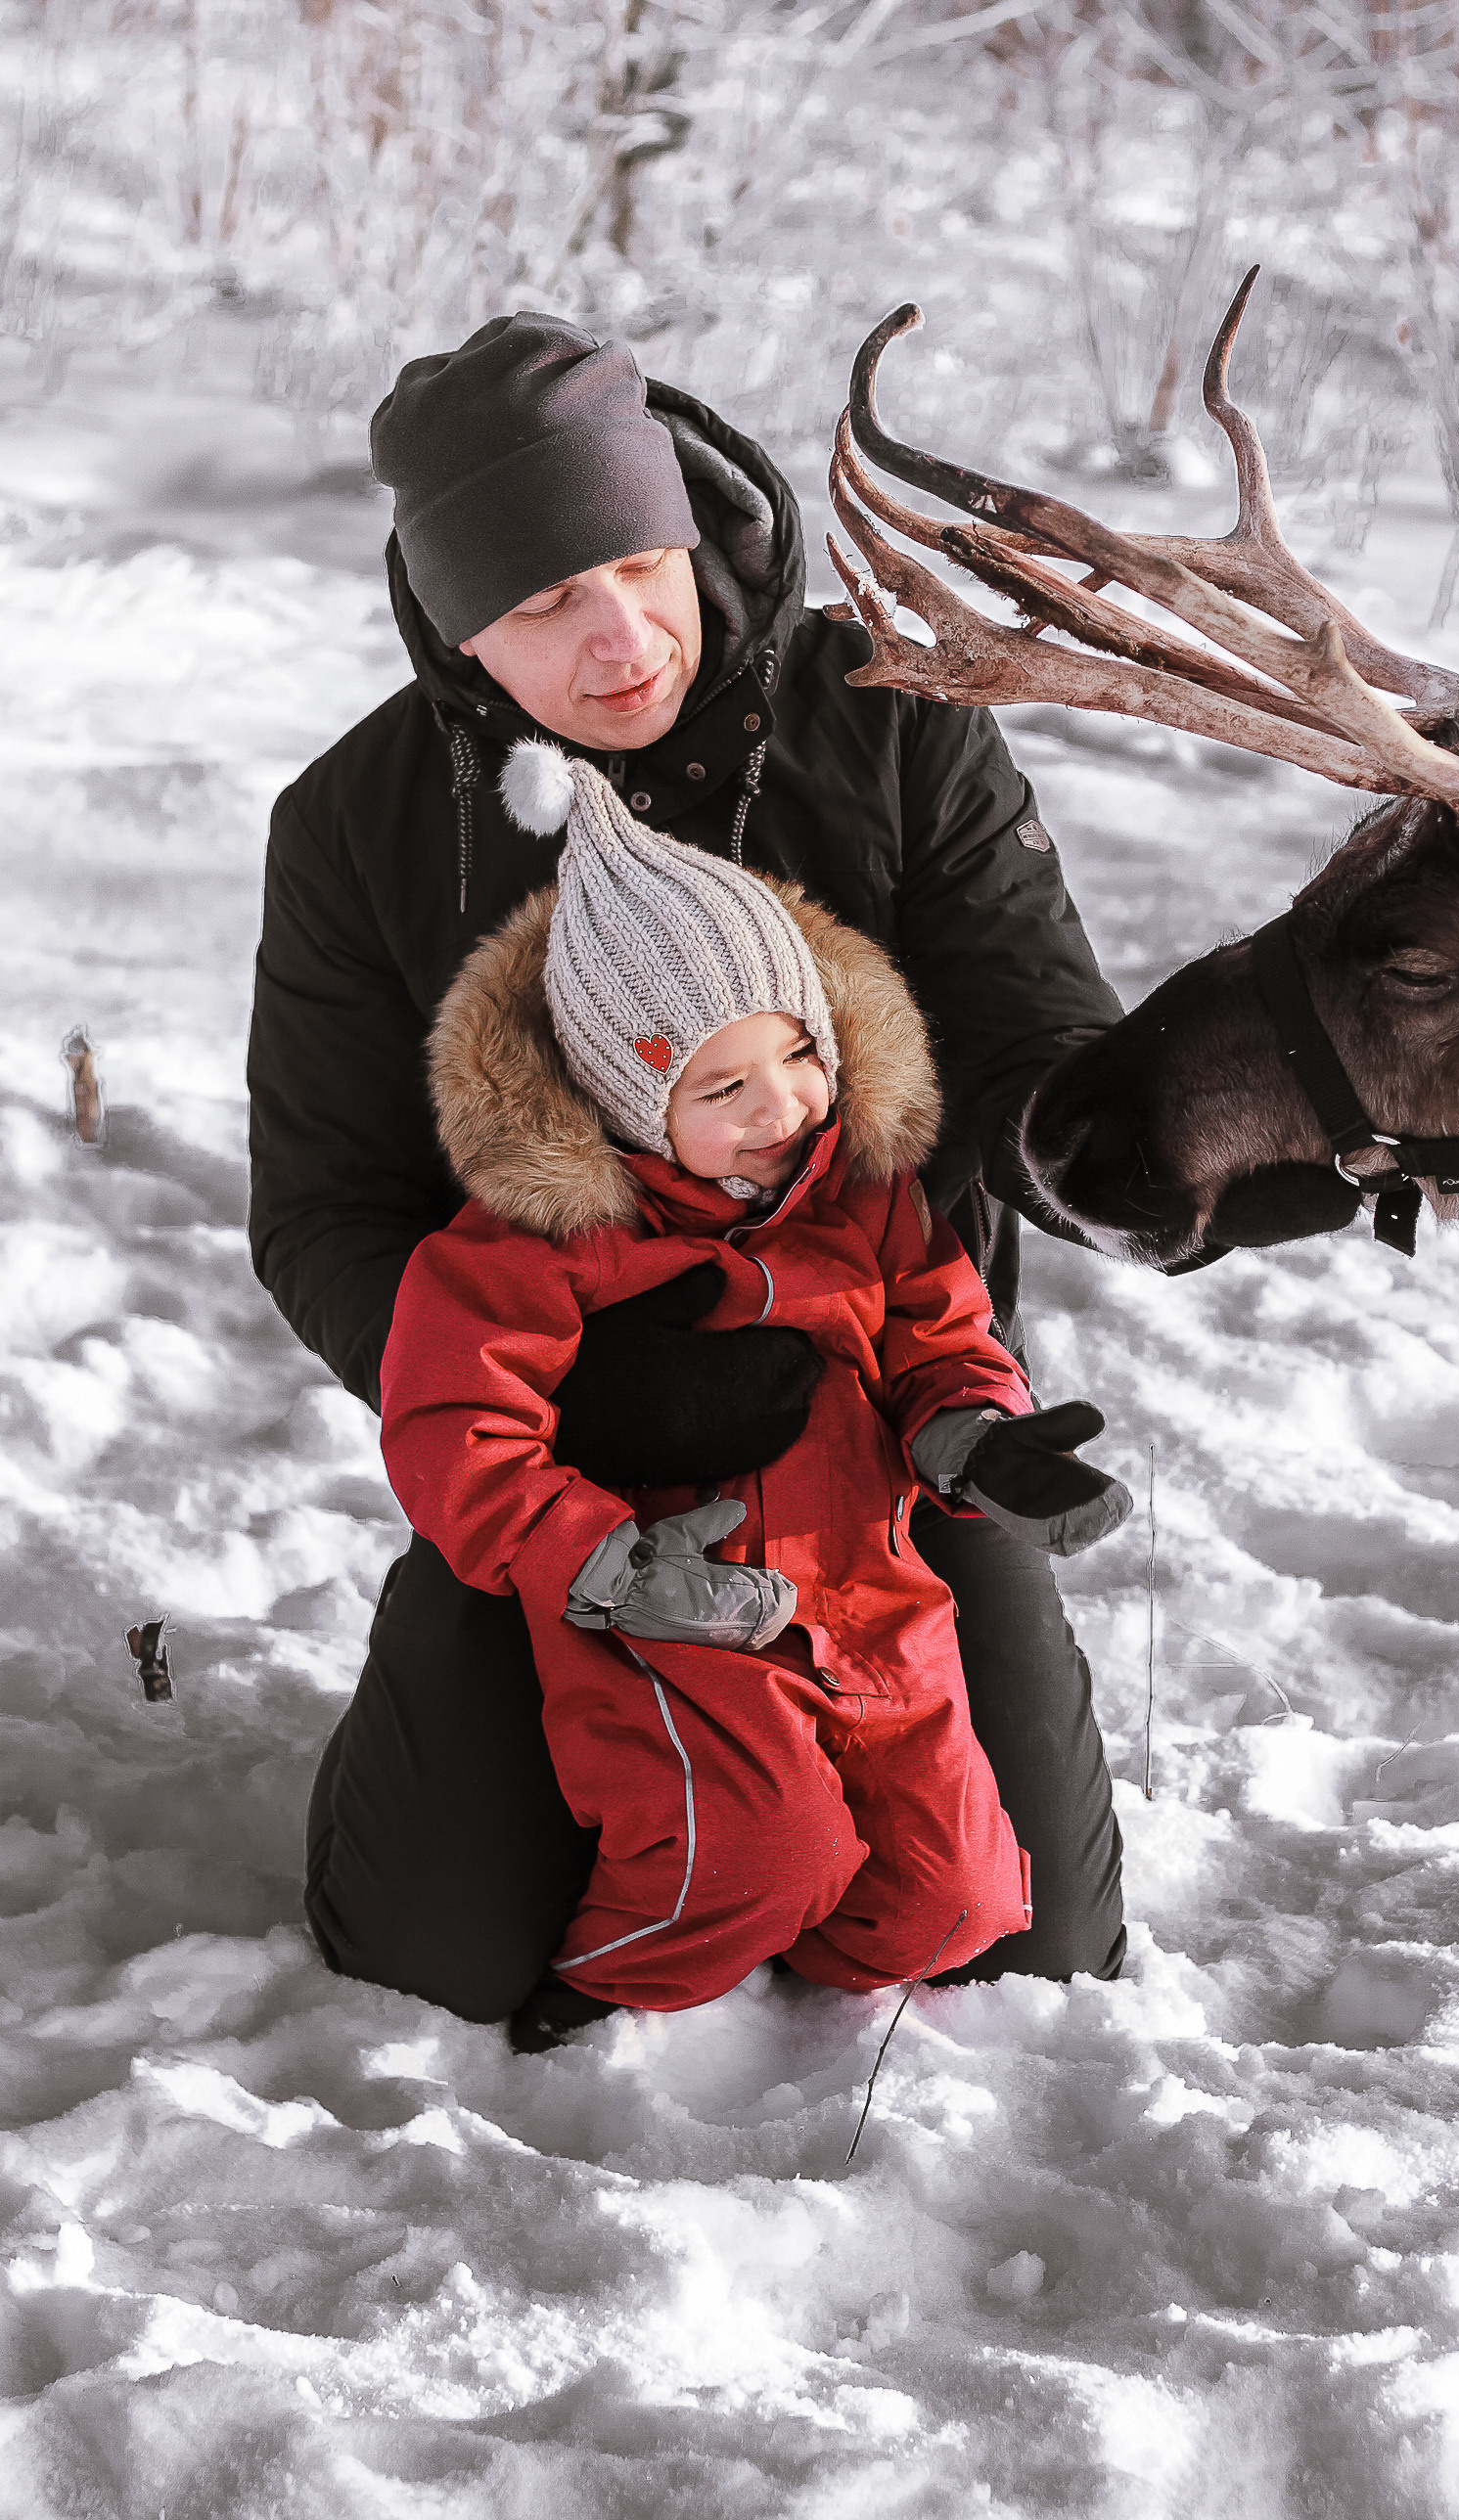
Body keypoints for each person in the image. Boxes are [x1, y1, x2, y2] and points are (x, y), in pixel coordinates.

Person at [255, 312, 1132, 2019]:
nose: (618, 640)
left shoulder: (889, 723)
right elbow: (321, 1213)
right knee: (434, 1964)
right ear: (451, 619)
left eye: (641, 566)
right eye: (540, 607)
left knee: (1032, 1950)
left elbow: (1038, 1048)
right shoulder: (353, 823)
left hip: (891, 1440)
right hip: (561, 1463)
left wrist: (1147, 1153)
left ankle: (798, 1829)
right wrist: (562, 1412)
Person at [384, 742, 1131, 2046]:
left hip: (872, 1590)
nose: (785, 1103)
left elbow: (933, 1333)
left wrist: (977, 1437)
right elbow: (456, 1430)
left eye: (798, 1053)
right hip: (676, 1606)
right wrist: (603, 1560)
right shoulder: (532, 1244)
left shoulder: (862, 1189)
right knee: (750, 1851)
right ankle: (631, 1978)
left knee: (958, 1900)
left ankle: (799, 1956)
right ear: (626, 1099)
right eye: (722, 1088)